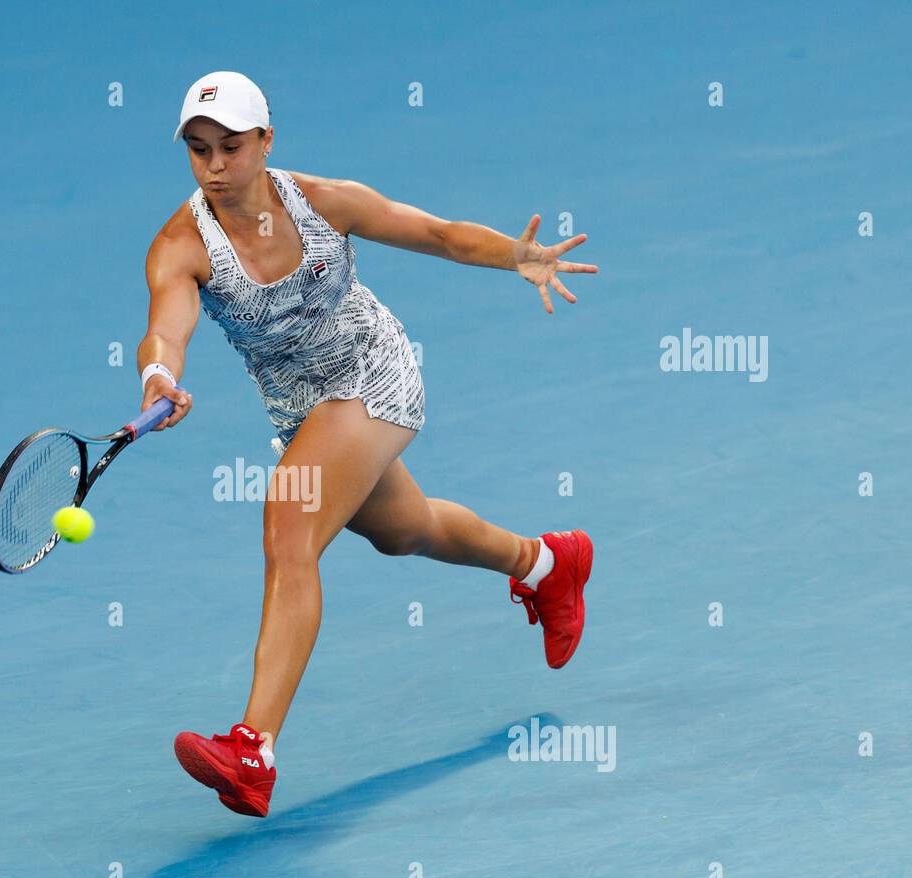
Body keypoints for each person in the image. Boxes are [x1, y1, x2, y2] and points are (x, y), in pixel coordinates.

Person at [138, 71, 598, 817]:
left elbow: (436, 233)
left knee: (289, 526)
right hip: (300, 407)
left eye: (230, 147)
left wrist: (517, 255)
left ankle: (254, 747)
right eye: (198, 151)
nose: (214, 167)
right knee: (404, 531)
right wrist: (160, 374)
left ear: (265, 143)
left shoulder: (323, 202)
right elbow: (166, 325)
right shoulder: (181, 245)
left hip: (371, 370)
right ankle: (547, 562)